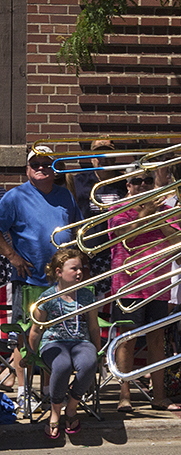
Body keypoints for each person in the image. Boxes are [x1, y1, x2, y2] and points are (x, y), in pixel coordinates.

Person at [0, 146, 82, 403]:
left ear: (55, 169)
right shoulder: (15, 197)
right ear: (27, 169)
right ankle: (23, 392)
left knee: (55, 335)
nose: (41, 168)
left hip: (60, 283)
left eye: (47, 164)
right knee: (24, 335)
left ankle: (48, 390)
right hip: (28, 278)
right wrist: (12, 256)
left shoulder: (65, 195)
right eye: (35, 164)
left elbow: (77, 229)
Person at [109, 167, 180, 413]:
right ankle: (124, 395)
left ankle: (159, 396)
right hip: (128, 285)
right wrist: (146, 213)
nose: (143, 185)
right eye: (137, 181)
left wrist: (157, 216)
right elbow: (124, 236)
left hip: (158, 285)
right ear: (127, 185)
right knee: (127, 340)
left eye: (148, 180)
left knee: (157, 340)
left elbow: (177, 242)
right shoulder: (117, 209)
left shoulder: (166, 209)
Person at [28, 248, 101, 439]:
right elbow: (36, 330)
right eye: (74, 268)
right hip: (53, 343)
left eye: (81, 268)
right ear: (59, 272)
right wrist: (31, 354)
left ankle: (71, 407)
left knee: (88, 363)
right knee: (62, 365)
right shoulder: (47, 298)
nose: (79, 272)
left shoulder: (86, 296)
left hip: (80, 341)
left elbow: (94, 327)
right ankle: (55, 412)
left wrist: (98, 351)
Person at [65, 139, 127, 294]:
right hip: (88, 250)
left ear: (114, 157)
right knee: (88, 294)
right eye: (99, 155)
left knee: (113, 295)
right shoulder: (79, 181)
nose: (103, 159)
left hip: (117, 249)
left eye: (108, 154)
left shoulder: (125, 181)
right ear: (92, 158)